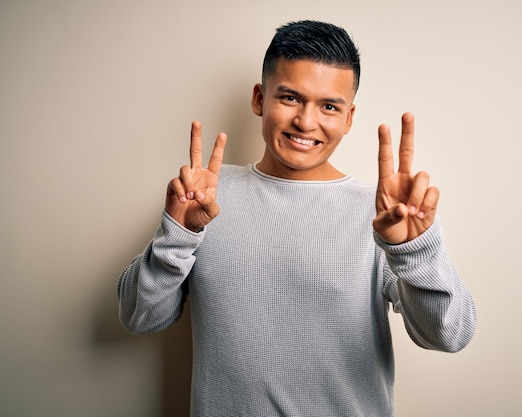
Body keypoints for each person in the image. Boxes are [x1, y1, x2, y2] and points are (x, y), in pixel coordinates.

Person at [117, 20, 476, 417]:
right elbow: (138, 316)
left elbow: (450, 334)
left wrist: (414, 251)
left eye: (329, 107)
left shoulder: (384, 215)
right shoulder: (205, 197)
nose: (306, 122)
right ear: (259, 98)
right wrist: (179, 234)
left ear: (349, 118)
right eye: (290, 98)